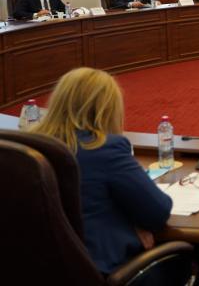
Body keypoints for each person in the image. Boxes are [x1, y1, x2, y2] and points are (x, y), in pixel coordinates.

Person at [31, 67, 172, 275]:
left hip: (38, 270)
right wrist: (132, 223)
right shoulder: (105, 148)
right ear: (107, 109)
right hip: (100, 272)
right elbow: (158, 212)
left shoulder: (28, 148)